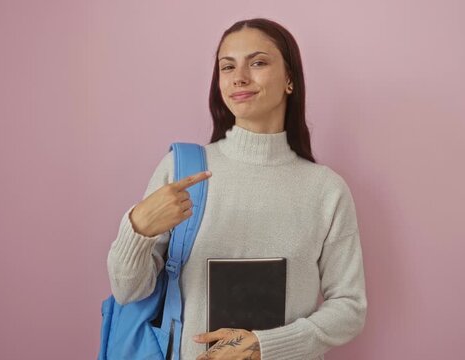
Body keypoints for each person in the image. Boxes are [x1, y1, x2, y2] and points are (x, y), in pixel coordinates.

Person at [106, 17, 367, 360]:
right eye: (227, 67)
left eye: (258, 63)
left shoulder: (326, 189)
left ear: (290, 79)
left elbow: (350, 306)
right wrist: (136, 229)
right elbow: (128, 291)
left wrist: (265, 346)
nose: (239, 77)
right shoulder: (183, 171)